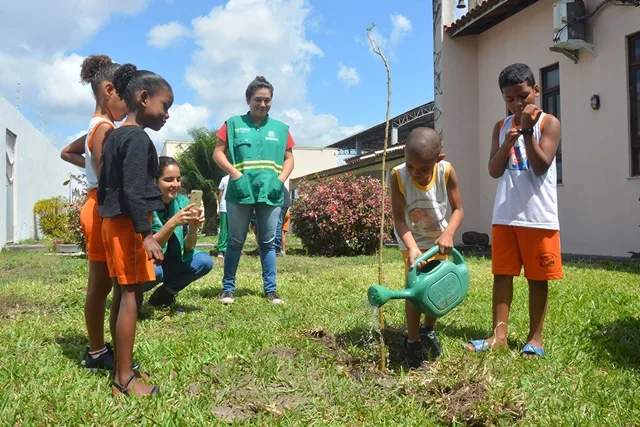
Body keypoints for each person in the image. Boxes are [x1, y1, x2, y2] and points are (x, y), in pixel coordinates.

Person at [465, 63, 563, 359]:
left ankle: (536, 337)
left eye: (523, 96)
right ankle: (499, 336)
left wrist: (529, 132)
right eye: (509, 99)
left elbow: (541, 164)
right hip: (505, 214)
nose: (517, 104)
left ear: (535, 90)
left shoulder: (550, 123)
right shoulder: (501, 127)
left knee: (537, 278)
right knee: (502, 274)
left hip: (538, 216)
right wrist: (508, 142)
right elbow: (494, 171)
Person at [98, 63, 173, 396]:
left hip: (111, 224)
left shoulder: (115, 135)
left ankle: (120, 368)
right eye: (165, 105)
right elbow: (131, 188)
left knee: (121, 294)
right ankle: (124, 379)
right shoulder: (138, 139)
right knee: (131, 297)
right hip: (128, 226)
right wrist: (145, 234)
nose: (167, 114)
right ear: (144, 98)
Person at [60, 55, 135, 372]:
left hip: (95, 202)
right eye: (126, 95)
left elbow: (69, 152)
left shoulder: (96, 126)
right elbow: (109, 175)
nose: (130, 102)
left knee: (100, 285)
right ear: (109, 90)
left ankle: (97, 350)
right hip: (104, 208)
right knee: (103, 286)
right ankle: (96, 353)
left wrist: (91, 173)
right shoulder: (104, 128)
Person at [212, 76, 295, 305]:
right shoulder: (232, 124)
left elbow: (289, 159)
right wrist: (235, 174)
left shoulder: (281, 129)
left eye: (267, 100)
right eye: (258, 100)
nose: (263, 104)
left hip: (271, 192)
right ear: (248, 100)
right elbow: (218, 153)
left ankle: (271, 290)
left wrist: (280, 180)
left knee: (268, 242)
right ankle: (228, 289)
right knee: (235, 241)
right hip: (240, 190)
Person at [390, 127, 464, 368]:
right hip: (412, 239)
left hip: (439, 240)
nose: (415, 174)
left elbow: (458, 210)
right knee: (415, 288)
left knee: (436, 285)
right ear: (404, 154)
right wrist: (412, 248)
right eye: (410, 166)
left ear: (438, 159)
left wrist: (448, 233)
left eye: (423, 169)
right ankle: (412, 342)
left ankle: (428, 330)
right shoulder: (398, 176)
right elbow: (399, 219)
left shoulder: (447, 172)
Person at [143, 157, 212, 307]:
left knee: (204, 261)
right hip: (147, 262)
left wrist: (193, 228)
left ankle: (163, 295)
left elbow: (187, 249)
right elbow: (150, 249)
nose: (175, 185)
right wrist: (173, 223)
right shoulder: (144, 205)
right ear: (155, 181)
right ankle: (129, 297)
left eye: (178, 179)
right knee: (155, 272)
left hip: (170, 262)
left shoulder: (183, 203)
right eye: (168, 180)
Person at [216, 175, 230, 258]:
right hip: (231, 207)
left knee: (224, 230)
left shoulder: (224, 178)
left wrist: (219, 205)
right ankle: (223, 249)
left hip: (224, 207)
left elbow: (220, 194)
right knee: (230, 229)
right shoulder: (239, 177)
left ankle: (222, 249)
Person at [275, 185, 291, 256]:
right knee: (280, 228)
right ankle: (282, 250)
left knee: (277, 226)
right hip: (284, 203)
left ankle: (277, 250)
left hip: (281, 203)